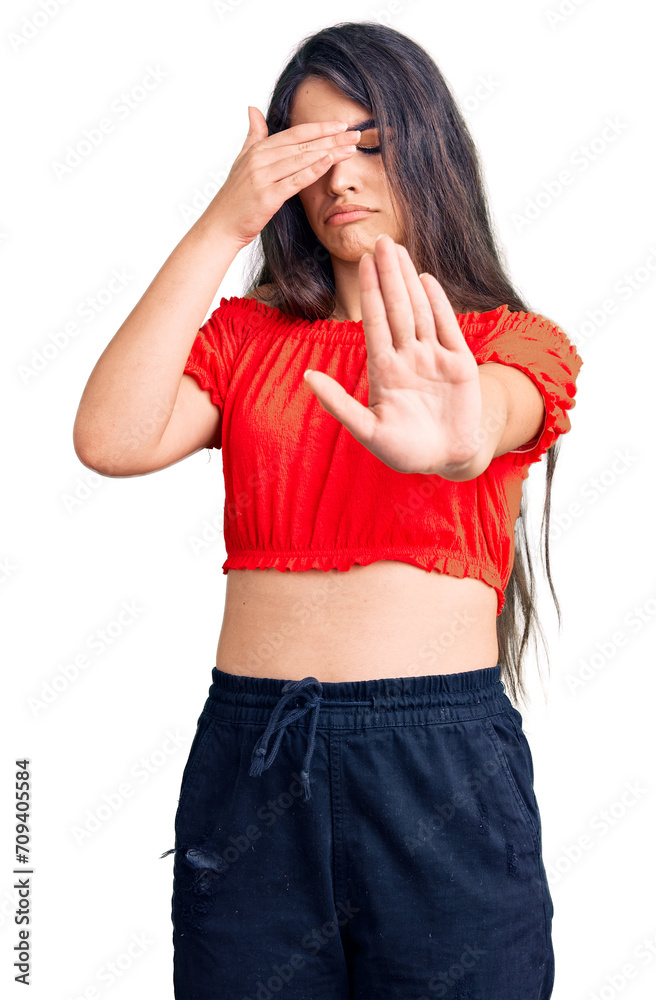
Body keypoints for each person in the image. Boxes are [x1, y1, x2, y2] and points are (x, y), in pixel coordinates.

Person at [72, 21, 583, 1000]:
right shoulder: (247, 335)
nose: (338, 177)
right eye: (307, 151)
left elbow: (488, 417)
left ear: (428, 149)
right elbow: (110, 438)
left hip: (434, 769)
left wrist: (456, 431)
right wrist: (222, 222)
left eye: (369, 144)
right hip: (253, 759)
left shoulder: (511, 343)